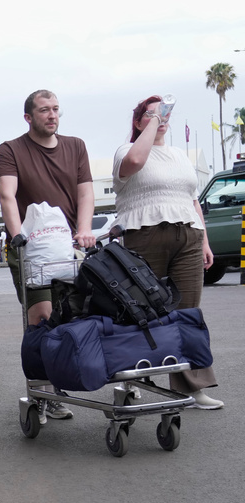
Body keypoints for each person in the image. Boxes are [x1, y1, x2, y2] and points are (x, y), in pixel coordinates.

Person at [112, 95, 223, 409]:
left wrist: (204, 240)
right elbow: (134, 162)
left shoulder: (178, 155)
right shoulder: (126, 151)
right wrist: (153, 122)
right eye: (151, 114)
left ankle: (192, 387)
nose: (161, 118)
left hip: (187, 234)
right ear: (137, 122)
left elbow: (192, 199)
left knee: (187, 312)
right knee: (140, 312)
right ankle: (130, 382)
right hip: (145, 234)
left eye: (164, 113)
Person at [0, 89, 96, 421]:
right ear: (29, 117)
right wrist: (17, 237)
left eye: (55, 109)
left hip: (67, 247)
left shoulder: (76, 146)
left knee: (72, 315)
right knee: (41, 319)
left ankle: (62, 380)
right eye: (43, 110)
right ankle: (42, 392)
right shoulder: (11, 150)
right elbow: (7, 195)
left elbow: (85, 193)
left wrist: (83, 230)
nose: (52, 115)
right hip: (32, 248)